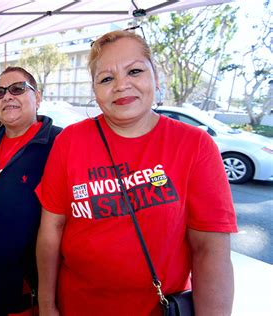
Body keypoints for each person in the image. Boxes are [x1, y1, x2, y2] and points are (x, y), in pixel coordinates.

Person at [35, 30, 238, 316]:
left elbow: (211, 251)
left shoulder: (195, 145)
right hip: (77, 305)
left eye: (135, 71)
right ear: (95, 91)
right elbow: (50, 232)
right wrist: (46, 305)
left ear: (155, 76)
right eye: (106, 78)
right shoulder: (69, 141)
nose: (121, 85)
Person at [0, 66, 62, 316]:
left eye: (17, 89)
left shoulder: (60, 145)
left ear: (37, 98)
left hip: (31, 295)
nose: (7, 96)